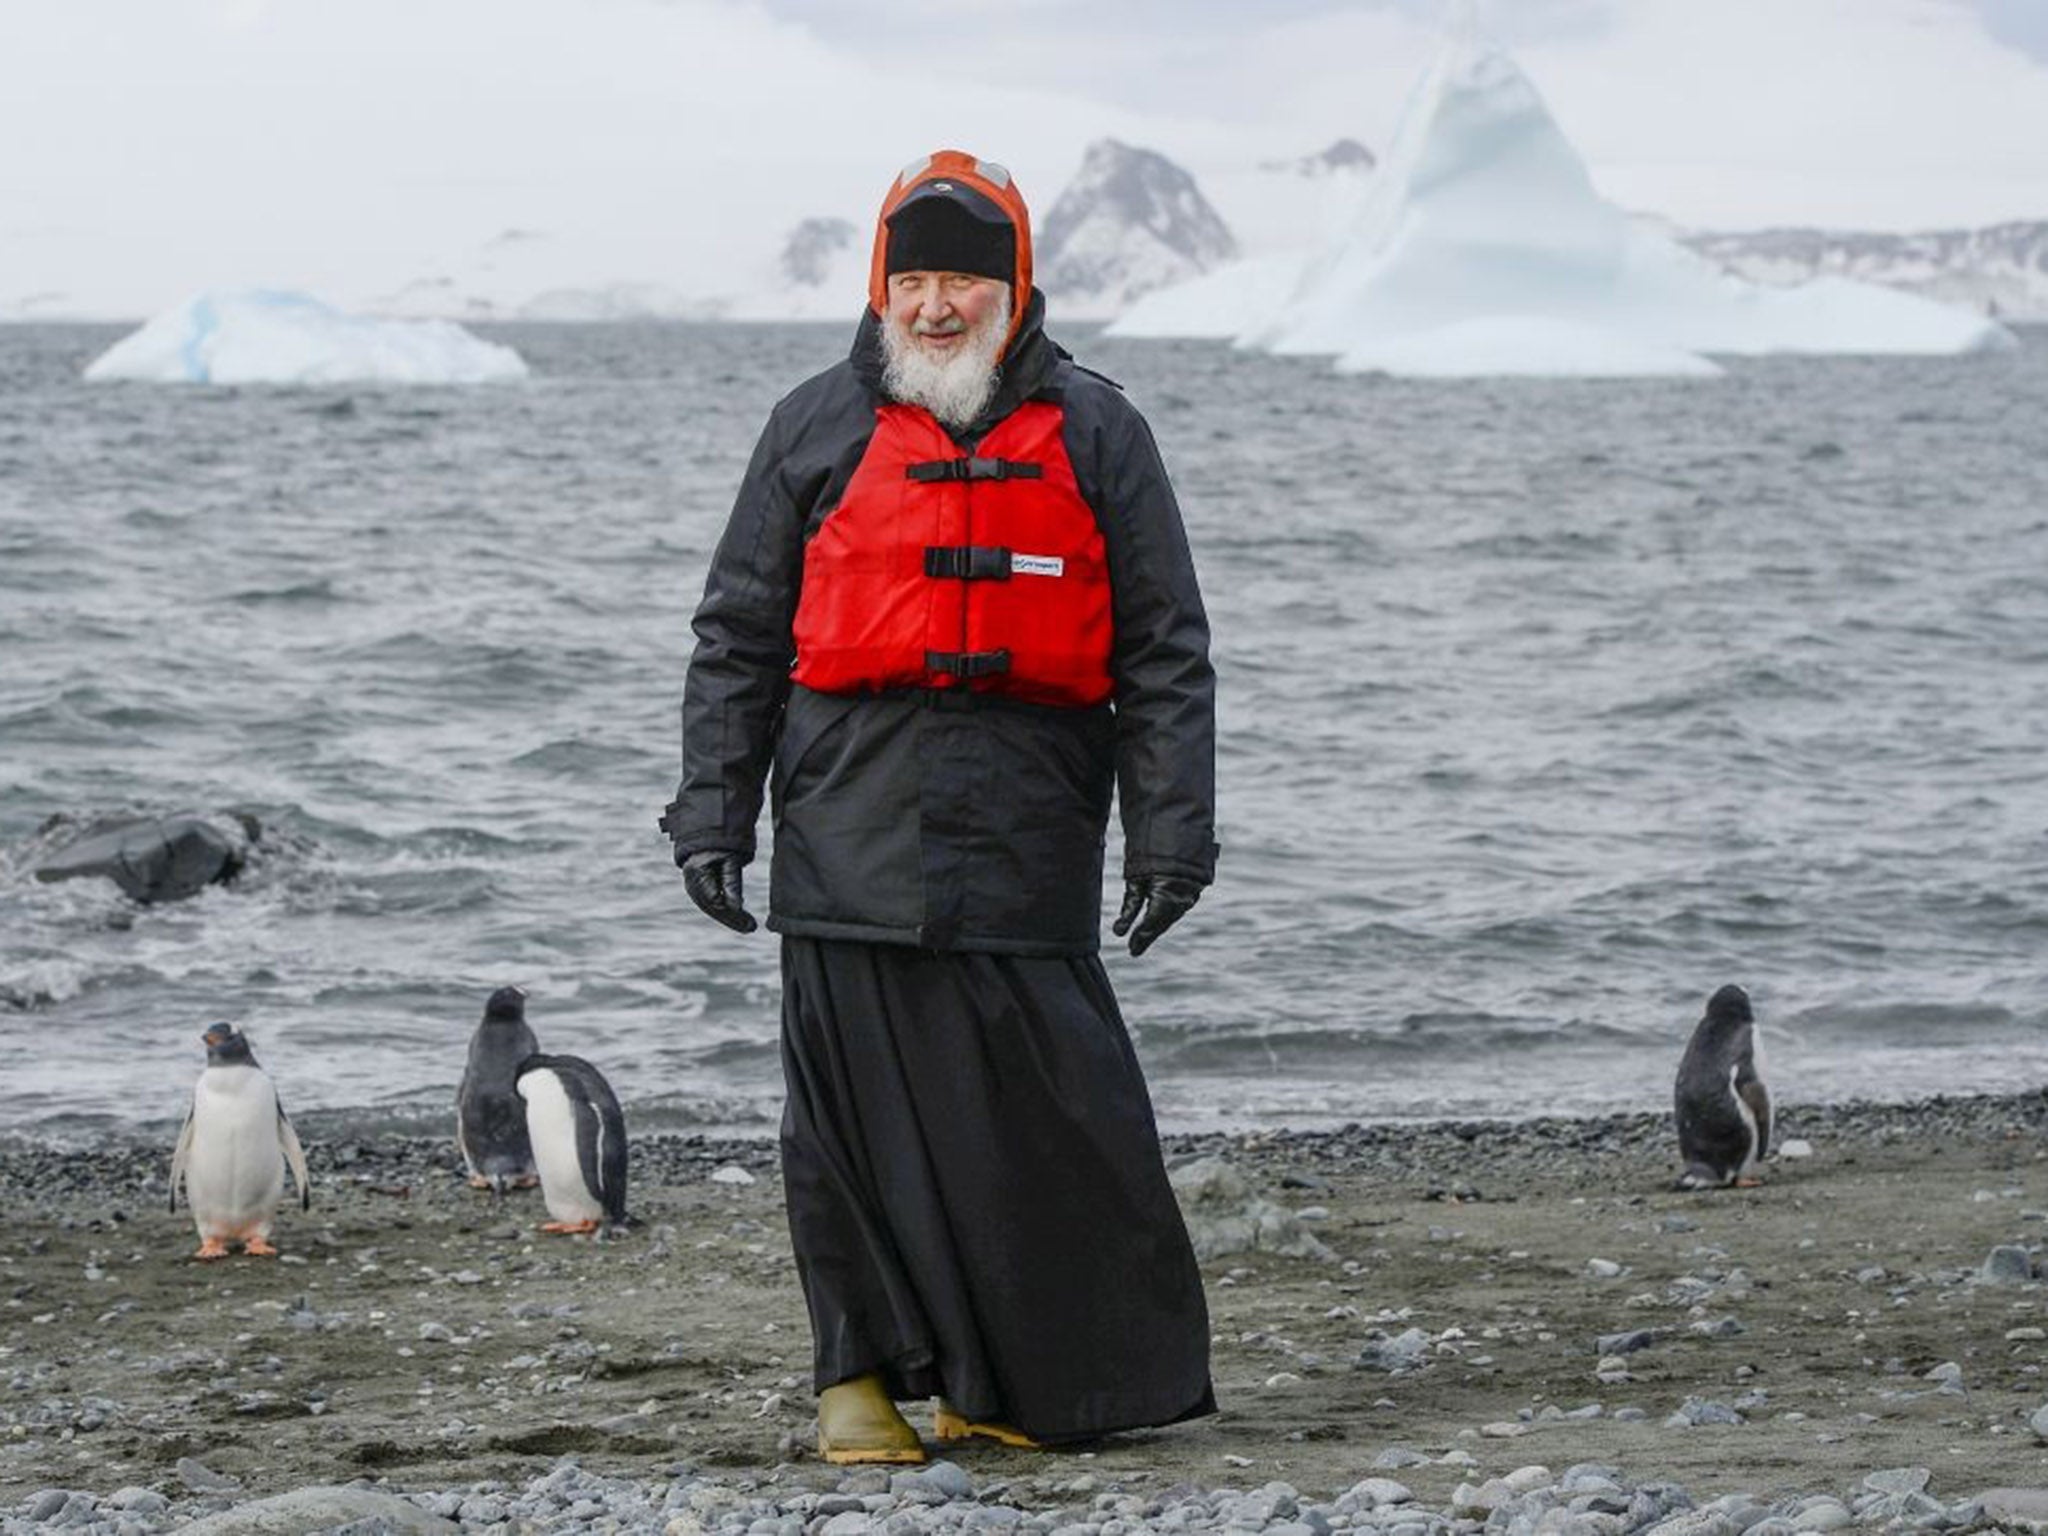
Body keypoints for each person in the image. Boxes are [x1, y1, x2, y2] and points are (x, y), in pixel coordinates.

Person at [661, 149, 1219, 1463]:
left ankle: (1004, 1383)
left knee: (1048, 1119)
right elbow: (736, 637)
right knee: (846, 1127)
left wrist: (1174, 831)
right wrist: (711, 815)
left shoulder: (1100, 433)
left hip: (1029, 831)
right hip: (847, 826)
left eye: (960, 280)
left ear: (1013, 290)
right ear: (877, 287)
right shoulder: (813, 426)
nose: (932, 305)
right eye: (909, 278)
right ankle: (854, 1389)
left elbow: (1164, 649)